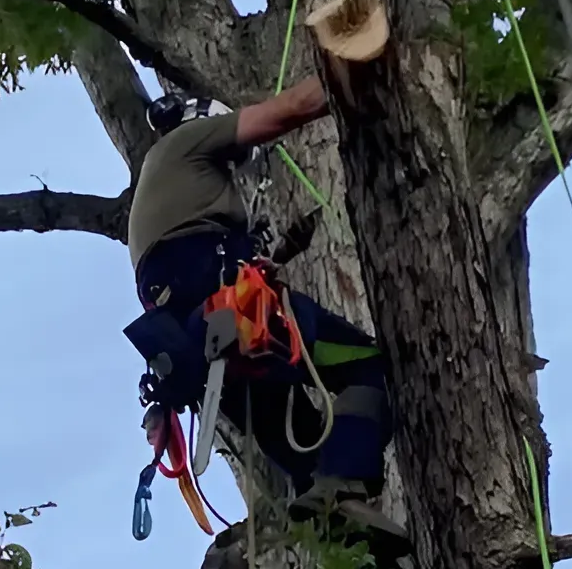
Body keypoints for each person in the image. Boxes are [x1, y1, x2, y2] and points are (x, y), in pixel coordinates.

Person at [124, 76, 397, 530]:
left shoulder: (163, 196)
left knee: (310, 464)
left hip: (207, 353)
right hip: (239, 319)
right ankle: (344, 484)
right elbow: (287, 109)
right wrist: (347, 74)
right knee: (368, 366)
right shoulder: (189, 140)